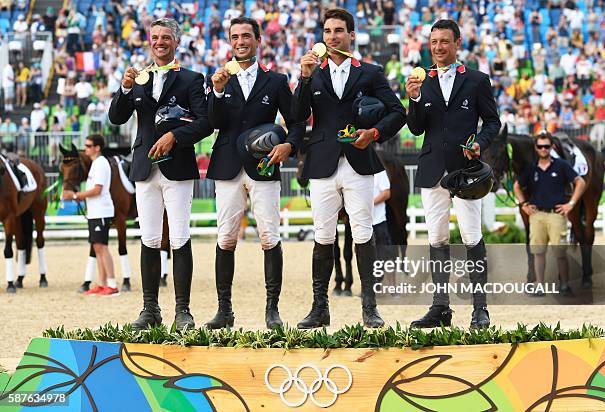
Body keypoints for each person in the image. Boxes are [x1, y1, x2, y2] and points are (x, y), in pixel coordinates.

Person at [292, 8, 405, 328]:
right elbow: (297, 116)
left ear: (351, 35)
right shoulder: (311, 72)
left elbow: (398, 112)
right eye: (327, 31)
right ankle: (319, 307)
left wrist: (374, 133)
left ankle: (369, 306)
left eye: (339, 30)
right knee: (323, 236)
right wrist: (302, 78)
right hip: (322, 164)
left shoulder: (370, 73)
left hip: (359, 163)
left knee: (363, 233)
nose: (332, 36)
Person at [109, 18, 213, 331]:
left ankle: (183, 311)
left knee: (179, 236)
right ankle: (150, 308)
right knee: (150, 238)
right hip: (144, 166)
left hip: (177, 165)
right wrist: (125, 87)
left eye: (165, 37)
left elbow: (205, 122)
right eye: (155, 37)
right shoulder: (138, 78)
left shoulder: (192, 79)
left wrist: (176, 136)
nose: (159, 42)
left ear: (176, 42)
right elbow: (117, 117)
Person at [204, 16, 305, 330]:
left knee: (269, 237)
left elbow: (297, 121)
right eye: (234, 37)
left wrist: (289, 145)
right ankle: (224, 310)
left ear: (258, 40)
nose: (240, 42)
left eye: (246, 36)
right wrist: (217, 92)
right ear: (229, 41)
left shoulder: (276, 80)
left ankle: (272, 310)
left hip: (264, 166)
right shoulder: (219, 78)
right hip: (227, 166)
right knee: (226, 238)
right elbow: (212, 122)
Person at [405, 19, 501, 329]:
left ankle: (480, 308)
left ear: (457, 43)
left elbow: (492, 123)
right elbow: (417, 128)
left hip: (465, 171)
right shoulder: (422, 81)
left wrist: (479, 142)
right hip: (432, 170)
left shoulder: (476, 80)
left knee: (472, 237)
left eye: (444, 41)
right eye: (433, 42)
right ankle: (440, 308)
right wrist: (414, 99)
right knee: (437, 238)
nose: (438, 47)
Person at [514, 132, 586, 296]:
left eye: (546, 146)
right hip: (537, 215)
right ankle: (540, 285)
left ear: (552, 147)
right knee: (538, 253)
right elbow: (517, 186)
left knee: (560, 253)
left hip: (556, 215)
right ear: (536, 148)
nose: (543, 149)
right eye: (540, 146)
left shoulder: (561, 165)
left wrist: (571, 204)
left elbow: (580, 182)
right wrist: (523, 204)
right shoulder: (531, 168)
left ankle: (565, 285)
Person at [64, 135, 118, 296]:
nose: (85, 148)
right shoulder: (96, 164)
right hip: (95, 211)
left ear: (97, 148)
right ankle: (102, 284)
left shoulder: (100, 163)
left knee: (103, 247)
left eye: (88, 145)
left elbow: (97, 190)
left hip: (101, 211)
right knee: (97, 247)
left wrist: (75, 196)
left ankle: (112, 284)